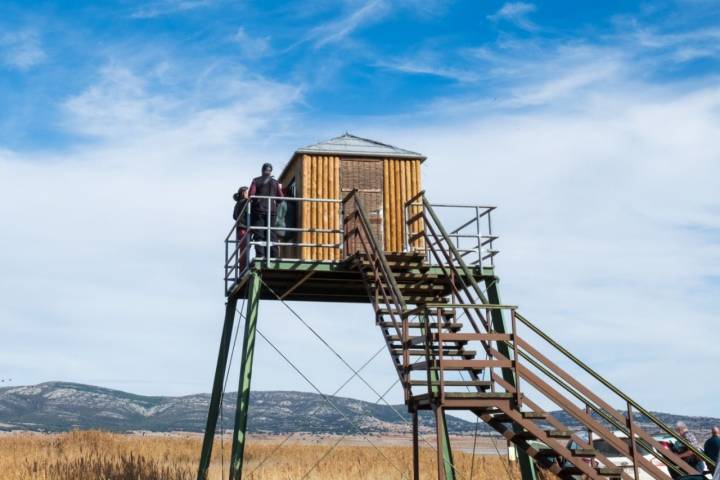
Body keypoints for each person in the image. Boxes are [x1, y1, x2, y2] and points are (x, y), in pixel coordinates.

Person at [248, 163, 283, 258]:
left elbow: (251, 194)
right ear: (270, 171)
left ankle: (261, 256)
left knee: (259, 233)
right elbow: (280, 197)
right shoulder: (275, 182)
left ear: (262, 170)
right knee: (271, 233)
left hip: (259, 210)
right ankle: (273, 256)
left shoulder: (256, 181)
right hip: (272, 211)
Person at [232, 186, 249, 270]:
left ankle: (243, 268)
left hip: (240, 228)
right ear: (243, 193)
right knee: (244, 249)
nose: (248, 194)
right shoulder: (245, 202)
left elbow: (234, 216)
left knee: (243, 249)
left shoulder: (238, 203)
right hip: (243, 228)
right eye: (247, 192)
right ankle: (243, 268)